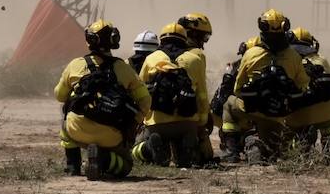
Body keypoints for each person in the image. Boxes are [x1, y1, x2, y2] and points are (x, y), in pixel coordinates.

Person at [54, 19, 151, 179]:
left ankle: (73, 166)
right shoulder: (123, 68)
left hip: (77, 130)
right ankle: (102, 158)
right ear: (114, 40)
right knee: (125, 166)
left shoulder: (75, 65)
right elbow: (145, 100)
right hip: (112, 135)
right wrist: (134, 123)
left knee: (66, 118)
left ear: (89, 40)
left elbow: (59, 96)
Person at [220, 9, 310, 163]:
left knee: (229, 104)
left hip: (250, 109)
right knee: (272, 154)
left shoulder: (251, 54)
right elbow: (303, 86)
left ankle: (231, 150)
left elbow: (238, 89)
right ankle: (258, 143)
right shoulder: (294, 56)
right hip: (278, 115)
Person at [132, 23, 204, 167]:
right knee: (185, 158)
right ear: (185, 39)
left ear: (162, 39)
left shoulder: (151, 58)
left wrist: (140, 119)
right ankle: (186, 145)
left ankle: (150, 148)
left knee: (135, 151)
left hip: (157, 123)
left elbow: (140, 92)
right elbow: (202, 95)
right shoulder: (195, 60)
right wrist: (201, 123)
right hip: (187, 122)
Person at [288, 27, 330, 158]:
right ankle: (329, 144)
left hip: (300, 115)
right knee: (328, 122)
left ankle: (298, 147)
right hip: (328, 112)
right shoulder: (322, 60)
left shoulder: (289, 61)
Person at [177, 13, 215, 163]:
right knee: (206, 156)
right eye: (204, 38)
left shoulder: (161, 53)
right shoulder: (197, 56)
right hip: (189, 116)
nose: (204, 43)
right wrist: (204, 121)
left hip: (157, 118)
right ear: (191, 34)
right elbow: (201, 93)